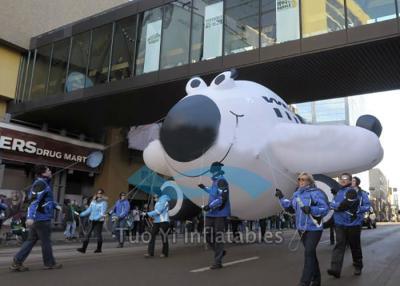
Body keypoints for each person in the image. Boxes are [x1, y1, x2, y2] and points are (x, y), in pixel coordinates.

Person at [275, 172, 329, 286]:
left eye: (303, 179)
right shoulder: (296, 194)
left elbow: (325, 208)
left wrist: (311, 209)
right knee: (311, 254)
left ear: (309, 181)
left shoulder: (316, 193)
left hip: (314, 228)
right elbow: (289, 206)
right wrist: (281, 197)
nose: (301, 181)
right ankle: (317, 280)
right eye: (299, 179)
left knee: (308, 252)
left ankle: (304, 282)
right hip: (301, 229)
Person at [10, 165, 62, 271]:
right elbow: (34, 201)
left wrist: (55, 205)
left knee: (30, 240)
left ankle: (17, 262)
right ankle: (49, 263)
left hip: (39, 218)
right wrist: (30, 217)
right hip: (41, 219)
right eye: (48, 170)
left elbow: (45, 201)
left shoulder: (43, 183)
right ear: (43, 173)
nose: (50, 171)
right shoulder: (40, 184)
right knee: (46, 242)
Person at [327, 173, 371, 278]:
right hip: (340, 224)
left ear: (350, 181)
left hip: (354, 224)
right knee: (339, 245)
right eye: (341, 178)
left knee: (354, 246)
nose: (342, 180)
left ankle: (358, 265)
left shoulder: (361, 193)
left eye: (345, 179)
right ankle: (335, 269)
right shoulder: (339, 192)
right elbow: (332, 204)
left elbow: (367, 206)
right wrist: (338, 205)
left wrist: (357, 209)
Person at [198, 161, 231, 270]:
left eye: (212, 170)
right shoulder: (215, 181)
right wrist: (204, 188)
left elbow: (222, 198)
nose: (211, 172)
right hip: (211, 213)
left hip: (220, 213)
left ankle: (218, 262)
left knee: (218, 237)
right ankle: (220, 252)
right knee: (207, 235)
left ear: (217, 170)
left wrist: (209, 206)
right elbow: (213, 193)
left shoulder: (222, 181)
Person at [77, 189, 108, 254]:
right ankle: (83, 249)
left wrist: (96, 219)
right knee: (87, 234)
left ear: (102, 194)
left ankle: (99, 249)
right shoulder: (93, 201)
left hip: (99, 221)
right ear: (96, 194)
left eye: (101, 193)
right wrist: (81, 214)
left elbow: (102, 213)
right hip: (91, 220)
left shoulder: (104, 202)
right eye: (98, 193)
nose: (99, 194)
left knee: (98, 234)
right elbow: (89, 210)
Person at [144, 189, 171, 258]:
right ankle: (150, 253)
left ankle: (165, 253)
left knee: (163, 237)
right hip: (157, 222)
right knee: (152, 235)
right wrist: (150, 217)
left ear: (158, 194)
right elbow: (156, 213)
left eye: (154, 194)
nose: (153, 196)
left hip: (164, 221)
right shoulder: (157, 201)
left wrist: (148, 214)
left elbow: (158, 211)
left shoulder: (164, 200)